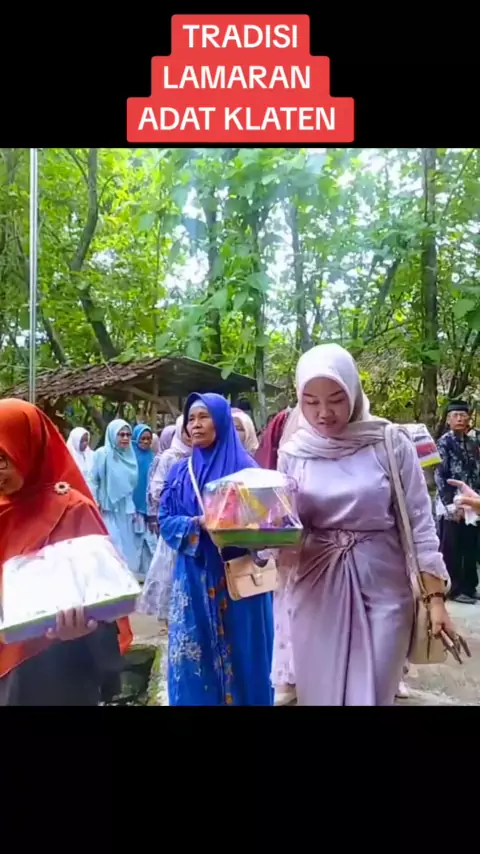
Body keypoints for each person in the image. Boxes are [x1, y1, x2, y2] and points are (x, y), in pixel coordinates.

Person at [276, 343, 453, 706]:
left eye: (336, 399)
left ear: (354, 392)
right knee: (321, 694)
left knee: (372, 694)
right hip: (315, 589)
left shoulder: (389, 442)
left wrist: (435, 599)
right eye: (310, 401)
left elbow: (420, 523)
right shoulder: (294, 453)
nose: (324, 413)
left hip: (384, 589)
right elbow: (284, 525)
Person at [0, 399, 132, 706]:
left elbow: (106, 598)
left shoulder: (72, 510)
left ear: (29, 448)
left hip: (55, 671)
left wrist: (83, 628)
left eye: (2, 458)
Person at [159, 393, 274, 706]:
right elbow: (165, 520)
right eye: (191, 419)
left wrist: (234, 525)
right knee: (194, 658)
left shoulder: (247, 471)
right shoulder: (180, 473)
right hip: (194, 579)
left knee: (245, 653)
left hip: (238, 580)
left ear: (221, 422)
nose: (195, 425)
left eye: (203, 417)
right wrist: (197, 523)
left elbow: (269, 524)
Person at [139, 415, 192, 621]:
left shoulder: (201, 454)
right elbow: (156, 489)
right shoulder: (170, 457)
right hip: (175, 521)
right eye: (185, 430)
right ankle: (170, 615)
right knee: (170, 568)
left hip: (194, 524)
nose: (190, 434)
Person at [434, 400, 480, 603]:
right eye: (455, 415)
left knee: (471, 544)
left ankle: (470, 587)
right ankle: (454, 589)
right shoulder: (444, 442)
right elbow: (440, 475)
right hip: (451, 502)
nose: (460, 419)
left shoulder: (472, 442)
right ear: (449, 419)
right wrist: (451, 505)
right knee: (452, 547)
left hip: (472, 501)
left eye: (463, 415)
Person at [91, 420, 139, 573]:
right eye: (121, 434)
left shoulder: (130, 456)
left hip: (125, 508)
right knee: (112, 543)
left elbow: (131, 485)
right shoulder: (101, 454)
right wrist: (94, 501)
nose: (125, 438)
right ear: (112, 435)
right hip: (107, 507)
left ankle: (125, 576)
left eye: (128, 435)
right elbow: (93, 480)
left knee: (126, 543)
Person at [131, 423, 157, 580]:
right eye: (143, 438)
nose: (146, 442)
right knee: (135, 540)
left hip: (149, 506)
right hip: (133, 506)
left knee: (150, 542)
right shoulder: (130, 457)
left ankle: (147, 573)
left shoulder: (152, 457)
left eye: (149, 439)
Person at [66, 426, 95, 492]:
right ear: (75, 441)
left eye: (86, 440)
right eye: (82, 441)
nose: (85, 443)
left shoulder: (91, 454)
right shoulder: (68, 457)